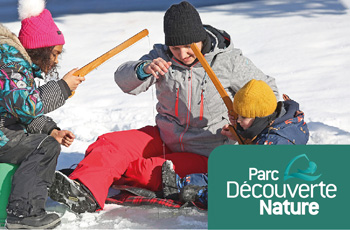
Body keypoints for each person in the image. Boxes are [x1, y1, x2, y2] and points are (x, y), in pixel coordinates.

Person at [49, 1, 279, 213]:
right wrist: (143, 69)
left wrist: (244, 117)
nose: (182, 54)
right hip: (165, 136)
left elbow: (268, 91)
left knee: (145, 170)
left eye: (189, 47)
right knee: (109, 144)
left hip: (207, 149)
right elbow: (123, 79)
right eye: (175, 48)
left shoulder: (227, 61)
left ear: (200, 39)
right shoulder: (162, 56)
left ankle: (98, 174)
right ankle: (85, 191)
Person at [0, 0, 84, 228]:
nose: (56, 61)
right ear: (41, 48)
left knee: (45, 140)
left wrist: (51, 129)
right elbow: (24, 106)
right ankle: (24, 214)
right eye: (55, 54)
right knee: (44, 147)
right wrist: (62, 87)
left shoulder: (13, 63)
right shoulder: (12, 64)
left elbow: (17, 113)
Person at [161, 79, 310, 207]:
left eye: (243, 117)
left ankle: (184, 187)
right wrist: (240, 134)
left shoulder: (276, 144)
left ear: (259, 117)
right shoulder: (279, 124)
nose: (238, 120)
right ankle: (179, 184)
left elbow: (249, 193)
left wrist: (200, 195)